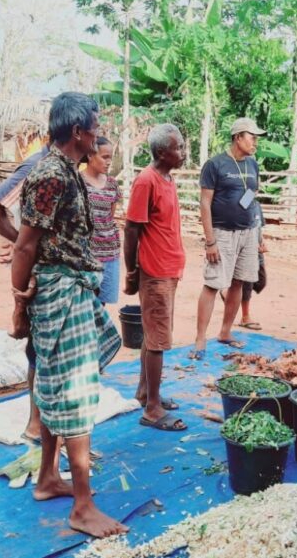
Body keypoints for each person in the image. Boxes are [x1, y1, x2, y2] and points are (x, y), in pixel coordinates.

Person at [10, 92, 126, 538]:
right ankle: (82, 505)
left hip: (69, 286)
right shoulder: (52, 175)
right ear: (78, 132)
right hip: (62, 291)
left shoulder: (64, 172)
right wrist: (20, 303)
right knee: (75, 389)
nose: (98, 133)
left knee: (58, 380)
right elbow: (24, 245)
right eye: (94, 126)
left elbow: (35, 240)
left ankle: (46, 479)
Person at [0, 147, 48, 443]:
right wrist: (20, 240)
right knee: (38, 348)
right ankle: (35, 422)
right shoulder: (39, 165)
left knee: (44, 348)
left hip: (46, 269)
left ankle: (41, 422)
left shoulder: (63, 167)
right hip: (39, 273)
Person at [123, 124, 187, 432]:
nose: (183, 153)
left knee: (154, 335)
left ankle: (148, 393)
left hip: (169, 269)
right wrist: (132, 271)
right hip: (155, 271)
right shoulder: (146, 181)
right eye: (179, 148)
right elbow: (132, 229)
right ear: (162, 152)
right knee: (159, 339)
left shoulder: (167, 179)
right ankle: (152, 409)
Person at [190, 118, 267, 360]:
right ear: (237, 137)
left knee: (239, 282)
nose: (255, 141)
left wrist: (258, 234)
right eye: (251, 136)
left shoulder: (253, 165)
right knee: (213, 284)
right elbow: (205, 203)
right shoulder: (215, 165)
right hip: (222, 233)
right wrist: (210, 240)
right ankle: (200, 338)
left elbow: (253, 198)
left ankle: (225, 332)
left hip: (248, 233)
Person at [80, 137, 122, 305]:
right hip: (86, 254)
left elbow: (109, 217)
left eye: (110, 157)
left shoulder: (112, 184)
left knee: (101, 304)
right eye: (105, 157)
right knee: (84, 303)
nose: (109, 162)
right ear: (90, 155)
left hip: (109, 252)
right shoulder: (78, 181)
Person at [222, 199, 267, 330]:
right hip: (246, 250)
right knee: (246, 284)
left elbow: (259, 227)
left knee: (261, 282)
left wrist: (261, 242)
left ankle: (228, 293)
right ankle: (245, 317)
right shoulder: (241, 203)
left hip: (257, 249)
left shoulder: (257, 204)